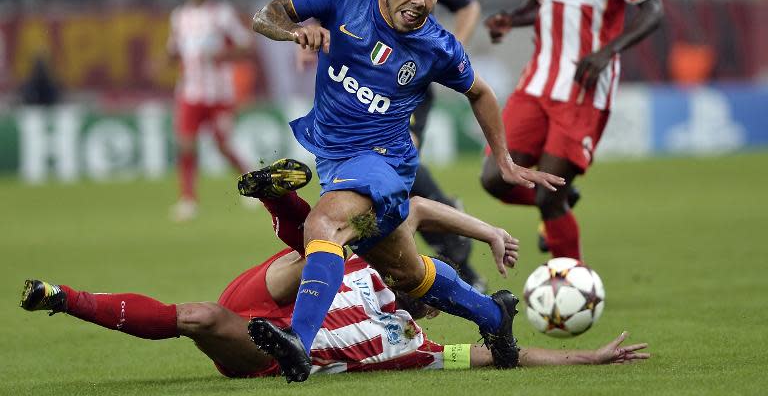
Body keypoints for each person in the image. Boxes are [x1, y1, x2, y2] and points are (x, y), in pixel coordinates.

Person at [247, 0, 565, 382]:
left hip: (384, 164)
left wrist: (505, 160)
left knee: (323, 225)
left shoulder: (438, 46)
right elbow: (267, 13)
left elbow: (482, 93)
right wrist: (293, 32)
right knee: (406, 271)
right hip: (336, 160)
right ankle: (494, 316)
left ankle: (299, 341)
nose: (420, 1)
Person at [20, 185, 649, 376]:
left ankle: (61, 298)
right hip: (275, 293)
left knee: (200, 319)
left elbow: (500, 355)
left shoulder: (418, 349)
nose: (414, 288)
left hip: (265, 348)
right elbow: (420, 211)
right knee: (324, 247)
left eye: (425, 295)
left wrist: (588, 357)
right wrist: (487, 230)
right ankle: (278, 198)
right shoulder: (367, 265)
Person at [314, 0, 486, 290]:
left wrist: (453, 51)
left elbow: (468, 4)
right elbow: (320, 17)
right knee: (390, 179)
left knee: (390, 162)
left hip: (406, 93)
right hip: (358, 96)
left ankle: (445, 252)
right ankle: (446, 227)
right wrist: (314, 38)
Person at [481, 0, 664, 260]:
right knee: (495, 178)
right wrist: (511, 19)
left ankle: (570, 284)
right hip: (536, 82)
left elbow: (653, 8)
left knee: (550, 198)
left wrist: (607, 51)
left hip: (583, 86)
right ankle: (563, 201)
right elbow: (541, 2)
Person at [166, 0, 254, 222]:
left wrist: (222, 55)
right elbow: (174, 49)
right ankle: (188, 199)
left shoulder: (222, 13)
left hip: (219, 93)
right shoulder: (179, 16)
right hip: (190, 92)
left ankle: (251, 185)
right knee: (185, 144)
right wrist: (165, 59)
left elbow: (246, 44)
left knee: (222, 144)